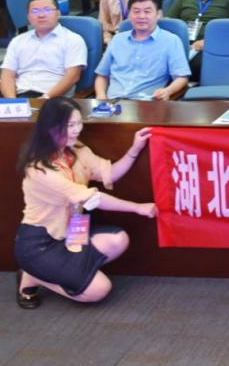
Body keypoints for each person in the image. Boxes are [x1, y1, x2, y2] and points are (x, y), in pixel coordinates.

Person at [14, 98, 157, 308]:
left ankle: (68, 271)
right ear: (49, 127)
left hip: (73, 230)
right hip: (41, 242)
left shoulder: (77, 149)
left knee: (118, 240)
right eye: (70, 125)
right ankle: (32, 276)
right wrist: (137, 208)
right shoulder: (38, 168)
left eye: (79, 123)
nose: (77, 130)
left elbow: (109, 173)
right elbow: (93, 199)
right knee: (99, 290)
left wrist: (134, 149)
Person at [94, 0, 191, 100]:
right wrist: (101, 96)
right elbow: (102, 75)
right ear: (129, 15)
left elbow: (182, 78)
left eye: (147, 11)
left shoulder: (171, 41)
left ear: (158, 14)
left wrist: (167, 91)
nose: (141, 16)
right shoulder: (118, 40)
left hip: (146, 103)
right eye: (136, 11)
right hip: (113, 102)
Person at [0, 0, 87, 98]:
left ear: (58, 13)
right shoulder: (18, 40)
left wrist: (44, 99)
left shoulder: (72, 40)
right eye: (35, 11)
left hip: (53, 98)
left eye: (47, 10)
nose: (41, 15)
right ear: (28, 17)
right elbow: (7, 74)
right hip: (20, 95)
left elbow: (73, 76)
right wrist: (12, 101)